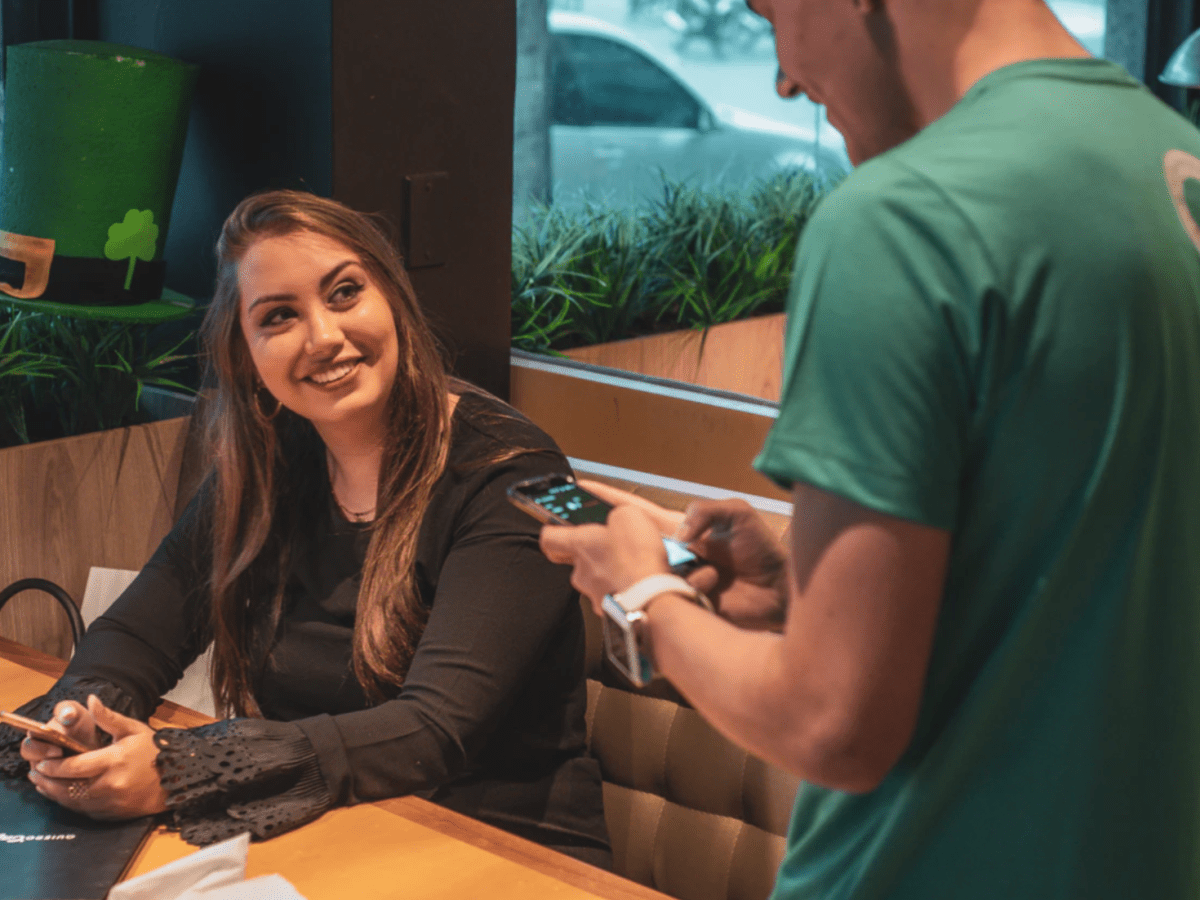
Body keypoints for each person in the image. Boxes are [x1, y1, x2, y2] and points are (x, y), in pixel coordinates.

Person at [540, 0, 1200, 897]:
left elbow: (831, 727)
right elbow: (1083, 589)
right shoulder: (1171, 166)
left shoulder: (903, 218)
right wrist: (802, 600)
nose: (781, 75)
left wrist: (644, 595)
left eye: (767, 9)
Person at [0, 190, 611, 866]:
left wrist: (176, 769)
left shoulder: (515, 473)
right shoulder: (273, 458)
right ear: (246, 354)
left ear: (394, 298)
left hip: (507, 854)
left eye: (345, 293)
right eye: (280, 316)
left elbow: (436, 731)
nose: (324, 336)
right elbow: (137, 632)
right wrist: (79, 724)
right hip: (332, 838)